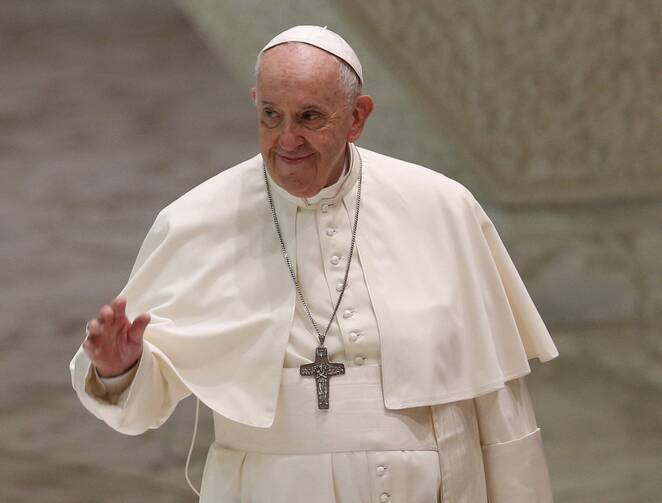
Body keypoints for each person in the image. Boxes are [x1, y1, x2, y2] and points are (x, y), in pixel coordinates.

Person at [70, 25, 558, 503]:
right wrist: (121, 369)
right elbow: (143, 404)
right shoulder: (195, 221)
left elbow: (500, 403)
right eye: (270, 115)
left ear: (357, 117)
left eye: (309, 117)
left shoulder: (442, 207)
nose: (287, 140)